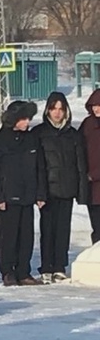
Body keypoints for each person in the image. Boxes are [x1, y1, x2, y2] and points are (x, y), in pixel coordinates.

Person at [0, 101, 46, 287]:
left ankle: (23, 271)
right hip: (7, 197)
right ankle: (8, 271)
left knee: (26, 236)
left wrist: (40, 194)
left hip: (28, 196)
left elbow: (40, 168)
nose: (27, 123)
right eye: (23, 119)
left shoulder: (32, 140)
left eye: (28, 119)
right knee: (8, 236)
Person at [32, 92, 88, 282]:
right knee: (47, 229)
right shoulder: (39, 133)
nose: (57, 113)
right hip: (47, 189)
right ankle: (46, 266)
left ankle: (59, 266)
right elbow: (35, 164)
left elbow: (80, 164)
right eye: (54, 108)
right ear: (48, 110)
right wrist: (38, 190)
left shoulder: (72, 134)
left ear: (66, 111)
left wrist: (81, 191)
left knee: (63, 229)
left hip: (67, 188)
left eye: (60, 109)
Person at [79, 89, 100, 243]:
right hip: (91, 186)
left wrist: (94, 174)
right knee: (97, 225)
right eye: (94, 105)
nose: (97, 108)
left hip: (94, 177)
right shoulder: (87, 124)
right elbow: (78, 148)